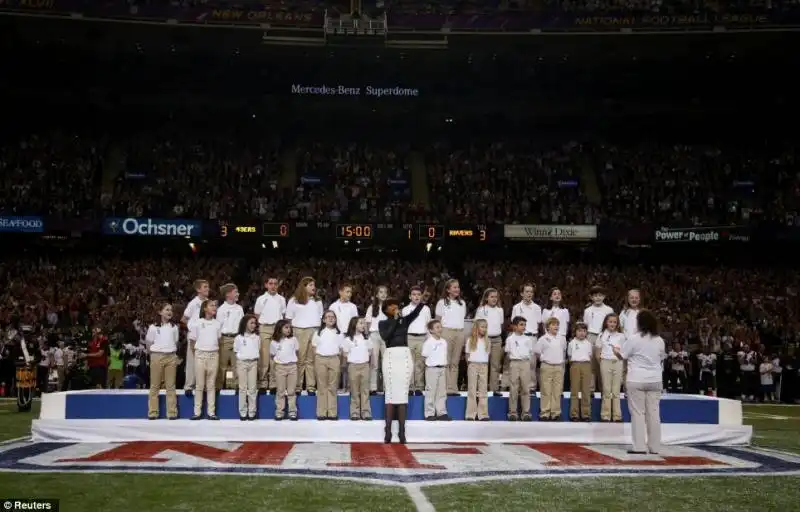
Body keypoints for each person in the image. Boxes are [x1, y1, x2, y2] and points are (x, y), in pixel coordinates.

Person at [613, 309, 666, 455]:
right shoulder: (659, 340)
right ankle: (655, 447)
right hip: (655, 379)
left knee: (638, 413)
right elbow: (661, 357)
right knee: (654, 413)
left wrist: (615, 350)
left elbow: (622, 356)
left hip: (636, 379)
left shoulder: (634, 338)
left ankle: (639, 447)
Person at [379, 297, 424, 444]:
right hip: (391, 356)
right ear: (386, 309)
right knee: (391, 394)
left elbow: (416, 312)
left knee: (403, 394)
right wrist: (395, 320)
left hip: (404, 356)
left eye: (396, 306)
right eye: (392, 306)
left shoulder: (404, 320)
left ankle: (402, 431)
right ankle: (388, 430)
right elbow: (386, 336)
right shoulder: (383, 323)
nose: (395, 308)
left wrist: (422, 301)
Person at [286, 277, 324, 395]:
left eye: (314, 285)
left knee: (311, 360)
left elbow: (321, 317)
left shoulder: (317, 301)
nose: (314, 287)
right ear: (304, 286)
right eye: (310, 285)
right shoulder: (294, 300)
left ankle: (311, 386)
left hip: (314, 331)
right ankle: (297, 386)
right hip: (299, 331)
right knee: (300, 360)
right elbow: (288, 318)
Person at [188, 299, 222, 420]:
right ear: (205, 309)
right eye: (211, 305)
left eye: (215, 305)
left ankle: (211, 412)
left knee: (211, 385)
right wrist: (198, 353)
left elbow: (218, 340)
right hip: (200, 355)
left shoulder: (217, 324)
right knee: (199, 385)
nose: (214, 307)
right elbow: (192, 341)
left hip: (213, 355)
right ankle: (197, 412)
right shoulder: (197, 323)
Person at [145, 303, 179, 420]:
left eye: (171, 310)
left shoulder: (174, 327)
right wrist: (155, 355)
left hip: (171, 357)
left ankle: (172, 412)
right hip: (157, 357)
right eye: (167, 310)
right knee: (155, 385)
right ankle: (153, 412)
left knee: (171, 385)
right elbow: (148, 344)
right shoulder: (153, 327)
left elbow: (175, 341)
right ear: (160, 312)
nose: (170, 312)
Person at [434, 279, 467, 396]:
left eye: (458, 287)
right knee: (446, 361)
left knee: (455, 362)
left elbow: (461, 318)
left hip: (459, 332)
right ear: (448, 289)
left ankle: (453, 387)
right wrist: (436, 336)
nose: (457, 289)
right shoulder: (441, 302)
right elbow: (437, 321)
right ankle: (446, 387)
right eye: (454, 287)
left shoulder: (462, 303)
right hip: (446, 332)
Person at [254, 277, 286, 394]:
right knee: (264, 357)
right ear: (266, 285)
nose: (273, 286)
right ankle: (262, 383)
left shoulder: (281, 299)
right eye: (270, 283)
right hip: (265, 328)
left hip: (277, 328)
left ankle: (273, 383)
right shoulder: (261, 299)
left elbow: (283, 314)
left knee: (275, 358)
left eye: (275, 284)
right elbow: (257, 315)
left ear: (278, 286)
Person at [312, 310, 344, 420]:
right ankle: (321, 412)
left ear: (335, 319)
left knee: (333, 386)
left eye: (333, 317)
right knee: (322, 386)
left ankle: (332, 412)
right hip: (321, 359)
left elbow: (341, 349)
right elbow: (314, 348)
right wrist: (317, 359)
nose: (331, 318)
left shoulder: (339, 333)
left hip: (334, 359)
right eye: (328, 317)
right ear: (324, 320)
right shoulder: (318, 332)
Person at [474, 288, 505, 396]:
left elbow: (500, 324)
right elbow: (477, 324)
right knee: (483, 364)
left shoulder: (500, 310)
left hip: (497, 339)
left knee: (495, 365)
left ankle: (494, 389)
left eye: (496, 297)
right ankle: (481, 388)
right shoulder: (481, 309)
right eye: (491, 296)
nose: (494, 299)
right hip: (484, 339)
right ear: (486, 298)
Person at [534, 317, 566, 421]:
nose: (556, 326)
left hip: (559, 366)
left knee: (557, 391)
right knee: (546, 390)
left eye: (557, 324)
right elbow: (537, 352)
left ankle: (556, 413)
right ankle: (545, 412)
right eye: (553, 324)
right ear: (548, 327)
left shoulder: (562, 338)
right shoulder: (543, 339)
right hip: (547, 366)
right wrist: (544, 359)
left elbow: (564, 350)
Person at [402, 286, 432, 397]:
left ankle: (419, 387)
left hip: (422, 337)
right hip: (409, 337)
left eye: (419, 294)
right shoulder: (405, 309)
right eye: (414, 294)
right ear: (410, 296)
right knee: (409, 364)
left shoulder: (426, 309)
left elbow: (429, 325)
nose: (416, 296)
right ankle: (409, 387)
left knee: (420, 364)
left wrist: (429, 340)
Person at [182, 279, 210, 397]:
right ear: (198, 289)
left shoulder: (209, 302)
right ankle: (189, 386)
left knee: (205, 363)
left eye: (208, 286)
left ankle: (203, 386)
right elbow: (184, 319)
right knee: (192, 361)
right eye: (205, 287)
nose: (207, 288)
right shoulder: (193, 303)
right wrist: (193, 328)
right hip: (195, 337)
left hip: (206, 337)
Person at [597, 313, 625, 422]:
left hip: (618, 363)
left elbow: (624, 352)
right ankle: (605, 415)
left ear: (617, 324)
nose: (612, 324)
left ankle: (617, 416)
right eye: (610, 322)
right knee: (606, 390)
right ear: (606, 323)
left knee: (616, 390)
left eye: (614, 322)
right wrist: (602, 361)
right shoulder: (601, 335)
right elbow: (598, 351)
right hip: (605, 362)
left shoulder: (622, 336)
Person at [343, 317, 372, 420]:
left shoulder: (367, 338)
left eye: (364, 323)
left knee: (365, 390)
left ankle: (366, 412)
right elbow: (345, 353)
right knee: (354, 390)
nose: (363, 325)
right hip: (353, 366)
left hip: (364, 365)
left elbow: (369, 351)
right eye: (361, 323)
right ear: (354, 324)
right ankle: (354, 412)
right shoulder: (348, 339)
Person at [270, 319, 299, 421]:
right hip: (280, 367)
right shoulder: (274, 342)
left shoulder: (294, 340)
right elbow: (272, 355)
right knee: (280, 391)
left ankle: (292, 411)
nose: (288, 329)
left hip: (292, 367)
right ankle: (279, 412)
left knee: (291, 391)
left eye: (289, 327)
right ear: (280, 328)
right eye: (286, 327)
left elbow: (296, 352)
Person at [506, 316, 534, 421]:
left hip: (525, 363)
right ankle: (513, 412)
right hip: (514, 362)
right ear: (514, 326)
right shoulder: (510, 339)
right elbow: (508, 353)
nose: (524, 327)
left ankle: (526, 412)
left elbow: (530, 352)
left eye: (525, 325)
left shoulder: (528, 339)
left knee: (526, 388)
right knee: (513, 388)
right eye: (521, 325)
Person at [217, 283, 244, 390]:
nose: (238, 294)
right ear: (228, 294)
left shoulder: (239, 308)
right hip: (225, 338)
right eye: (236, 292)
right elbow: (218, 327)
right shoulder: (221, 309)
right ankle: (218, 387)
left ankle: (237, 387)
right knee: (222, 366)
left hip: (237, 338)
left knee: (237, 365)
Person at [421, 319, 449, 421]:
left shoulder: (444, 342)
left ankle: (441, 412)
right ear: (431, 330)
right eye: (437, 327)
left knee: (442, 392)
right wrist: (429, 365)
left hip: (442, 368)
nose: (440, 329)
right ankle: (429, 413)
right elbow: (424, 356)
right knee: (431, 391)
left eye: (440, 327)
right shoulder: (428, 342)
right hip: (432, 369)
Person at [234, 314, 260, 420]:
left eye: (255, 323)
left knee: (252, 388)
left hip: (253, 363)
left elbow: (257, 350)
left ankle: (252, 411)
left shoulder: (257, 338)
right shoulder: (239, 338)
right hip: (242, 363)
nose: (254, 325)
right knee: (242, 388)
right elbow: (236, 351)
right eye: (251, 323)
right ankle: (243, 412)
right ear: (245, 324)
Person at [365, 285, 388, 395]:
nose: (383, 294)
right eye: (381, 292)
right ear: (377, 294)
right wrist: (367, 337)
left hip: (386, 336)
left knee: (386, 362)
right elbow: (368, 324)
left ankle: (386, 387)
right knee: (374, 363)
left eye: (385, 292)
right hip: (374, 335)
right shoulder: (371, 307)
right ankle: (372, 387)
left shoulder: (391, 307)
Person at [567, 322, 593, 422]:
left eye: (584, 331)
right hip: (575, 365)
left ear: (586, 332)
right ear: (575, 332)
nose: (582, 333)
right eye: (579, 331)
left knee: (586, 390)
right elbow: (569, 356)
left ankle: (586, 414)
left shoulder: (588, 343)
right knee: (574, 390)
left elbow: (590, 355)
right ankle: (574, 414)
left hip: (586, 365)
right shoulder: (572, 343)